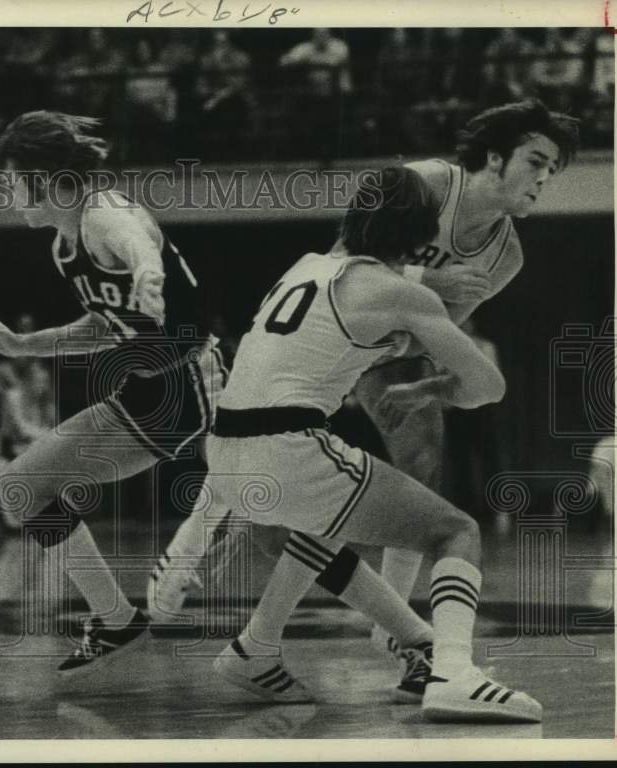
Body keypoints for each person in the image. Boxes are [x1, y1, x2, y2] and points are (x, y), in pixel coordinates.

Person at [155, 99, 580, 699]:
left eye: (554, 171)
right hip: (341, 348)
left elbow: (432, 326)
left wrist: (419, 362)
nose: (543, 179)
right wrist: (421, 286)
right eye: (536, 161)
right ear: (492, 158)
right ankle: (441, 662)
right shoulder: (427, 184)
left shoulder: (503, 253)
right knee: (443, 526)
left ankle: (300, 640)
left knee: (402, 465)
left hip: (317, 371)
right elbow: (357, 257)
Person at [203, 167, 541, 722]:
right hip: (287, 447)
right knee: (455, 531)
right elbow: (489, 387)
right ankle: (456, 675)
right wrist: (427, 386)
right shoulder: (398, 292)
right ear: (421, 239)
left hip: (226, 456)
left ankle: (263, 649)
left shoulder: (303, 267)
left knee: (310, 527)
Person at [0, 110, 226, 675]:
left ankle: (415, 636)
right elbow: (103, 327)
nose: (9, 197)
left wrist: (149, 276)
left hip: (193, 381)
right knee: (19, 489)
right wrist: (19, 344)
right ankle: (113, 617)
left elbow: (138, 245)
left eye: (12, 183)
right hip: (148, 392)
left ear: (46, 176)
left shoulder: (105, 213)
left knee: (282, 521)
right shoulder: (64, 244)